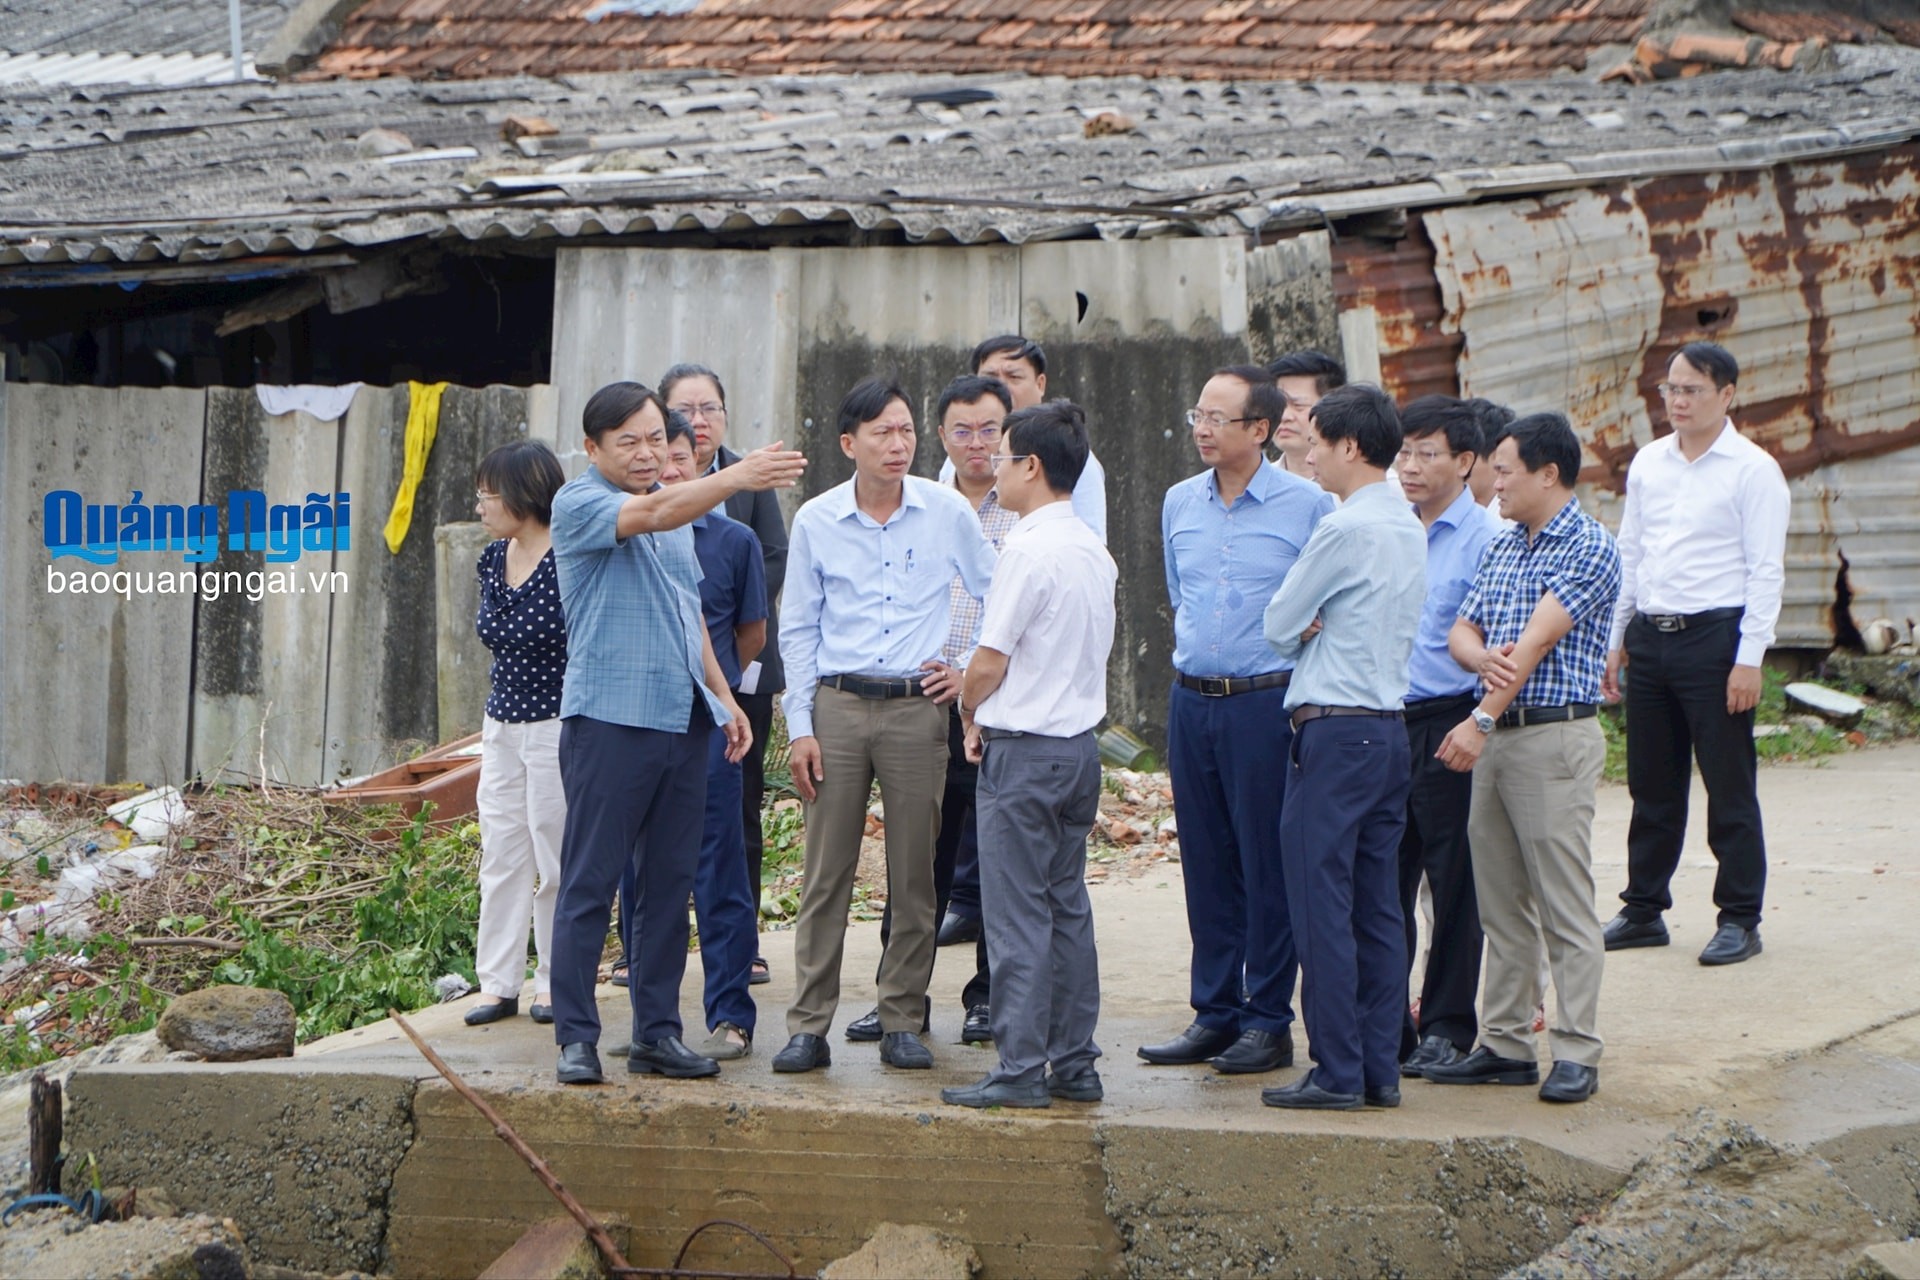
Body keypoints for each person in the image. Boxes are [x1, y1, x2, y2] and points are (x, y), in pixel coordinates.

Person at [546, 382, 804, 1086]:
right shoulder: (581, 503)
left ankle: (657, 1033)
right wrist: (737, 478)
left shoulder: (673, 513)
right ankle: (576, 1037)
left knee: (668, 887)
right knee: (591, 882)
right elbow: (656, 511)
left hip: (683, 721)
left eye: (656, 438)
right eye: (628, 441)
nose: (646, 452)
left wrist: (724, 699)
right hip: (610, 720)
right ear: (592, 447)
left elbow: (687, 613)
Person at [772, 376, 997, 1075]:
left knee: (914, 876)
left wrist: (965, 669)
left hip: (915, 708)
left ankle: (902, 1018)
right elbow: (797, 627)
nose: (898, 444)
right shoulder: (816, 520)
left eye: (905, 430)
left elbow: (997, 592)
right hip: (837, 706)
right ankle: (809, 1025)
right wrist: (800, 726)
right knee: (825, 875)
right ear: (850, 444)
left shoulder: (944, 511)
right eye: (882, 433)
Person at [1140, 364, 1334, 1075]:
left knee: (1265, 862)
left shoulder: (1308, 506)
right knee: (1206, 862)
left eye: (1218, 418)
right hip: (1192, 700)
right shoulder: (1179, 502)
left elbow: (1327, 608)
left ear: (1261, 429)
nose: (1202, 428)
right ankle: (1214, 1012)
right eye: (1198, 414)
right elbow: (1180, 595)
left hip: (1265, 702)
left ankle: (1267, 1019)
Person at [1428, 413, 1621, 1105]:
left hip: (1550, 737)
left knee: (1563, 903)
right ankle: (1506, 1044)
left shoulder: (1590, 546)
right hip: (1499, 736)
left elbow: (1536, 643)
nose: (1495, 482)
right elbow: (1462, 628)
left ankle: (1577, 1050)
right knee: (1501, 903)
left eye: (1505, 470)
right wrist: (1479, 657)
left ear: (1549, 473)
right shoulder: (1505, 543)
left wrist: (1479, 718)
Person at [941, 400, 1118, 1109]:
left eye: (1004, 456)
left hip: (1024, 755)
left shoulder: (1025, 548)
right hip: (1078, 749)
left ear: (1032, 467)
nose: (995, 468)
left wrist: (968, 709)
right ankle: (1074, 1062)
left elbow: (989, 660)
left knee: (1015, 916)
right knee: (1066, 907)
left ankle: (1018, 1067)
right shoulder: (1091, 548)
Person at [1259, 385, 1427, 1111]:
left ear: (1350, 447)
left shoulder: (1343, 526)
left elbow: (1278, 622)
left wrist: (1308, 622)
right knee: (1378, 906)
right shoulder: (1407, 523)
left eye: (1318, 443)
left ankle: (1335, 1070)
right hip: (1388, 728)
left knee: (1320, 902)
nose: (1309, 456)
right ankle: (1378, 1068)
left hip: (1333, 730)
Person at [1602, 342, 1790, 967]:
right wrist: (1615, 638)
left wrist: (1749, 658)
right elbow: (1631, 551)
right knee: (1651, 784)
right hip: (1651, 637)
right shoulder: (1649, 463)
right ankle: (1643, 910)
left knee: (1728, 784)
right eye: (1670, 390)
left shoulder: (1753, 470)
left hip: (1716, 640)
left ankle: (1739, 917)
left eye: (1692, 390)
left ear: (1726, 395)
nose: (1678, 402)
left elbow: (1766, 571)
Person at [845, 375, 1016, 1048]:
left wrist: (970, 672)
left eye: (991, 430)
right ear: (939, 435)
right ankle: (901, 1000)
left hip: (995, 705)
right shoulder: (913, 501)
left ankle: (989, 997)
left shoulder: (1026, 508)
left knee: (997, 857)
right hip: (920, 707)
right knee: (916, 861)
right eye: (962, 430)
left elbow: (1017, 608)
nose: (978, 444)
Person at [608, 415, 767, 1060]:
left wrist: (717, 695)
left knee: (720, 872)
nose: (668, 468)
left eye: (680, 457)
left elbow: (750, 635)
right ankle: (652, 1024)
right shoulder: (624, 531)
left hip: (709, 733)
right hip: (640, 726)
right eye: (657, 455)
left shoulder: (734, 541)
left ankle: (731, 1016)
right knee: (641, 880)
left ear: (701, 462)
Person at [662, 362, 788, 988]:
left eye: (709, 408)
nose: (699, 420)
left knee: (739, 810)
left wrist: (727, 663)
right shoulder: (642, 492)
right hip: (664, 683)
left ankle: (744, 946)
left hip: (740, 670)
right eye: (685, 410)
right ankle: (651, 945)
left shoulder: (750, 481)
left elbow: (772, 557)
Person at [1392, 397, 1501, 1076]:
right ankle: (1387, 1023)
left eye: (1426, 453)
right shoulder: (1388, 527)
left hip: (1451, 719)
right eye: (1404, 452)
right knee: (1383, 881)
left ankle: (1447, 1026)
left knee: (1454, 881)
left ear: (1464, 462)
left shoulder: (1487, 540)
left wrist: (1479, 722)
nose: (1410, 466)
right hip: (1383, 720)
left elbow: (1502, 645)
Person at [465, 440, 569, 1030]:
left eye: (489, 495)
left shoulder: (569, 555)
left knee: (555, 856)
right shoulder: (491, 558)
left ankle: (554, 981)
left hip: (556, 722)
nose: (481, 506)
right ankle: (497, 983)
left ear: (525, 495)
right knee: (502, 851)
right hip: (501, 722)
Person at [936, 335, 1107, 543]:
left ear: (1040, 384)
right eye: (990, 379)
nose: (1002, 388)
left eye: (1014, 377)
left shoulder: (1068, 454)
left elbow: (1089, 541)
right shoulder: (958, 456)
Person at [1266, 349, 1346, 479]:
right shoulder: (1258, 484)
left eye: (1299, 406)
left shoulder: (1359, 482)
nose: (1284, 417)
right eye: (1277, 405)